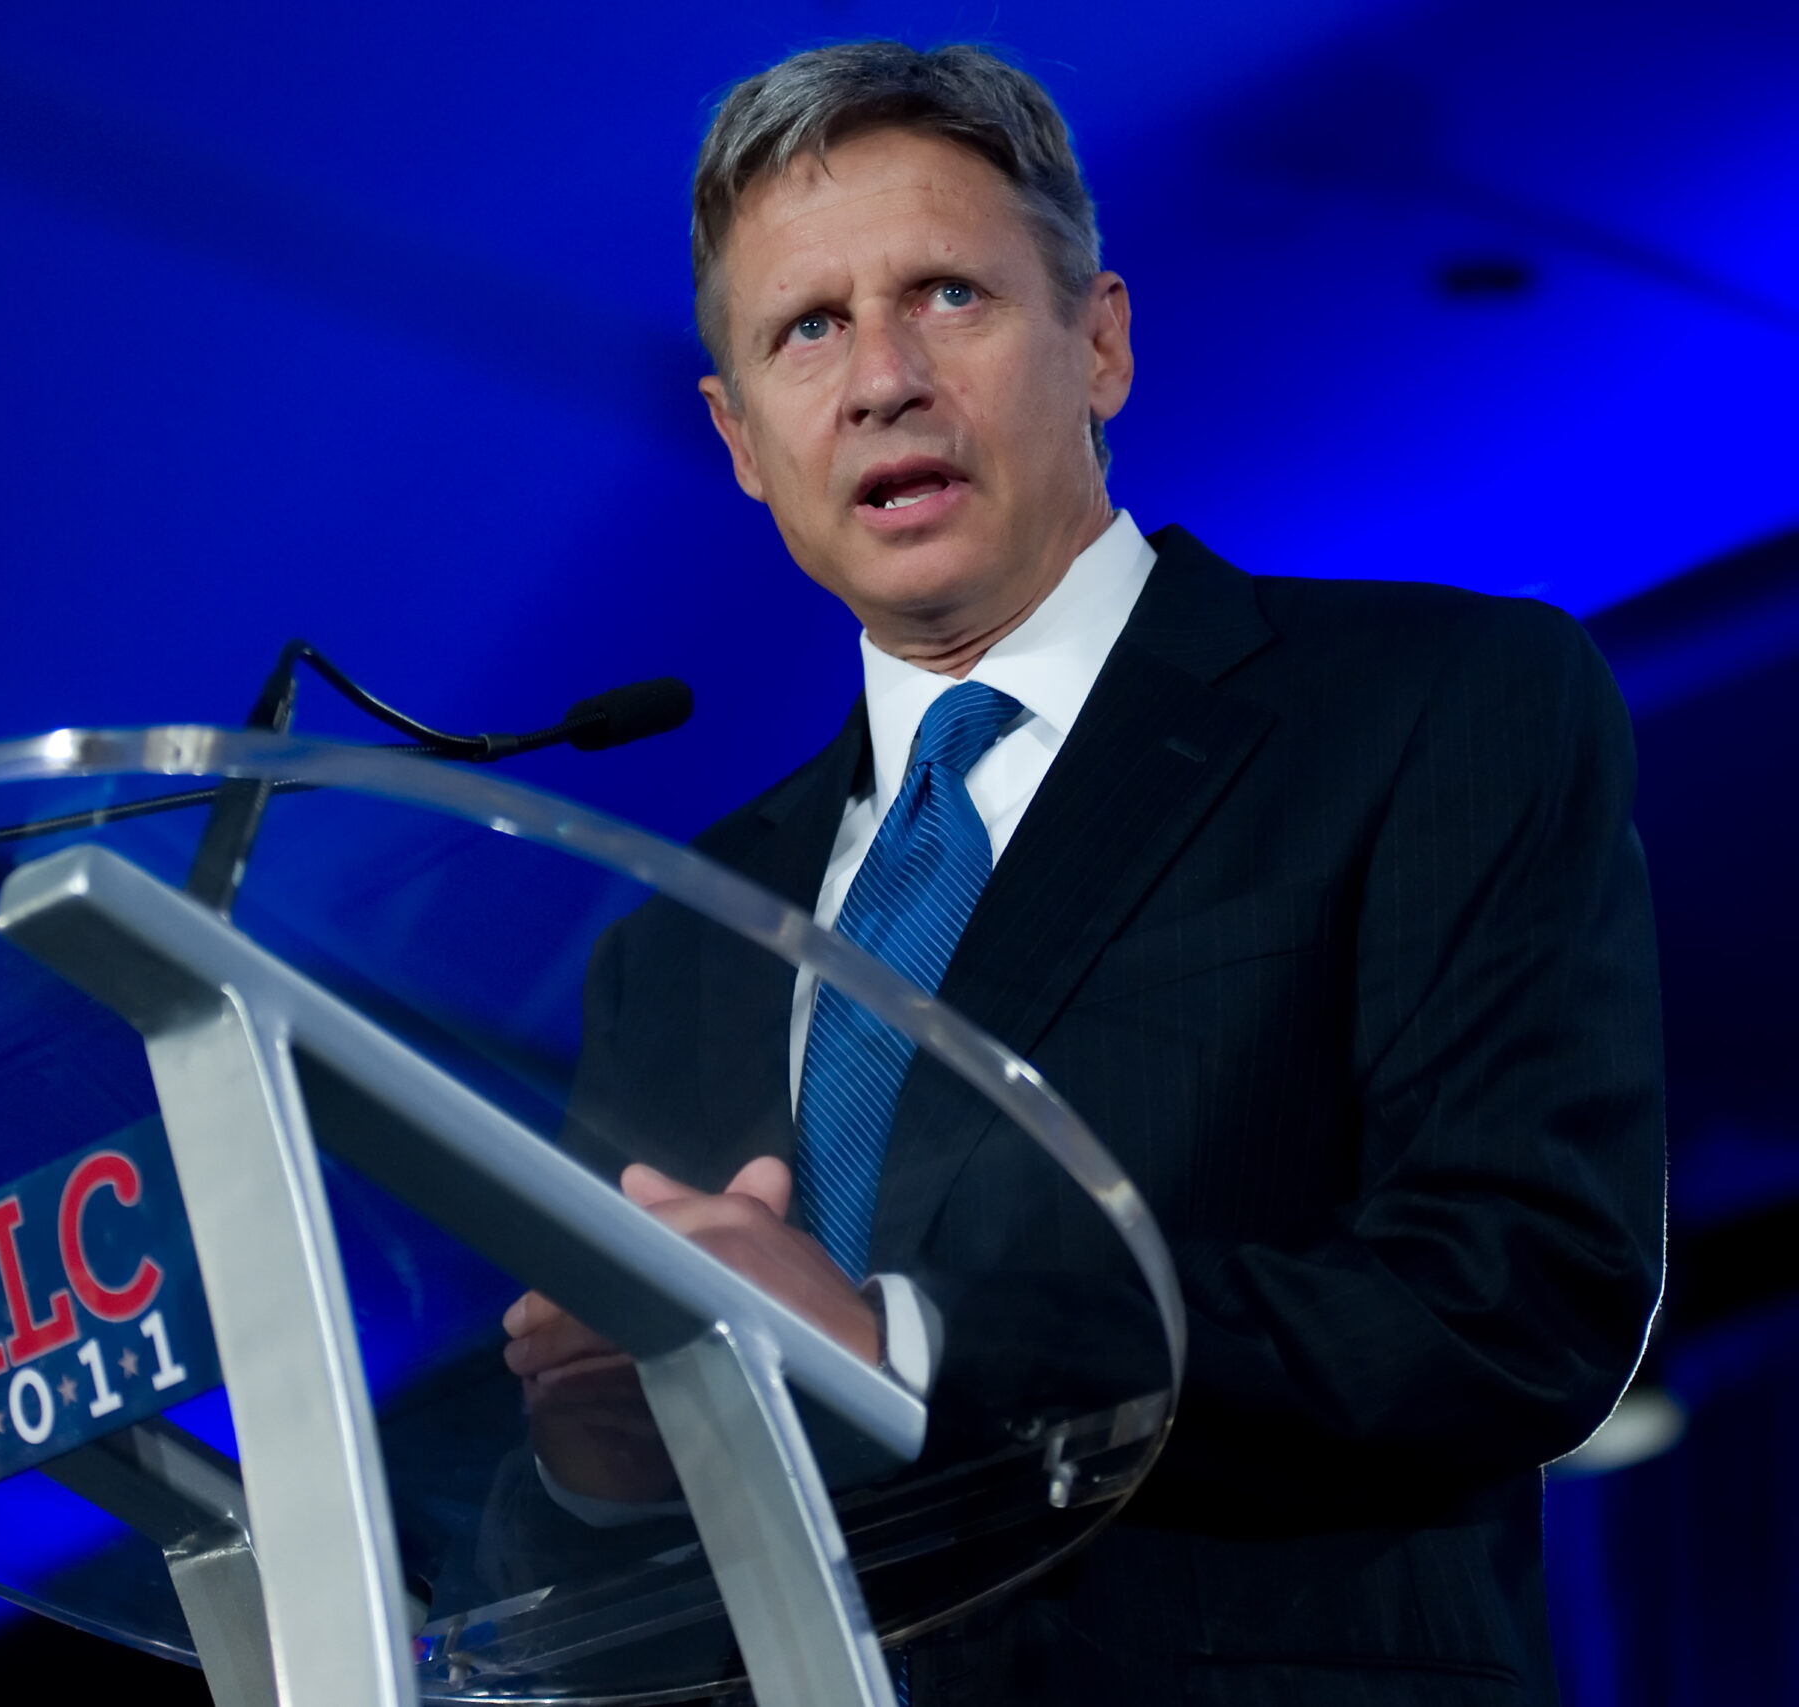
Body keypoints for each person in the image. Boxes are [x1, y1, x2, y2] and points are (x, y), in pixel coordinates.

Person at [498, 40, 1664, 1704]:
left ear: (1099, 343)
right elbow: (560, 1580)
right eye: (806, 329)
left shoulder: (1431, 704)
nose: (882, 376)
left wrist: (907, 1346)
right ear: (742, 436)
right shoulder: (677, 945)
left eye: (949, 295)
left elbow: (1515, 1294)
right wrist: (592, 1472)